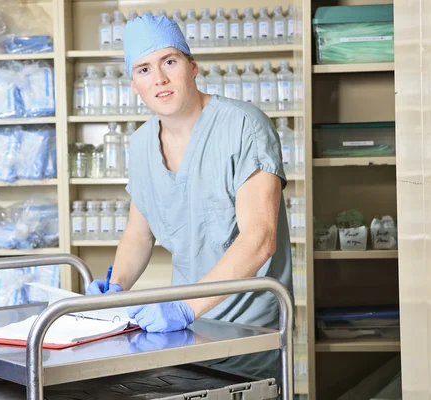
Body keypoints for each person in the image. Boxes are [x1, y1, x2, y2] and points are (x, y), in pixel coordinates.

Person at [86, 13, 293, 380]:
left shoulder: (243, 126)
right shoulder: (141, 144)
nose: (160, 79)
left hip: (246, 340)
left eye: (169, 61)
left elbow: (260, 240)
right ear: (134, 84)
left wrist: (183, 307)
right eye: (144, 69)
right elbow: (139, 234)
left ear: (192, 67)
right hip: (183, 339)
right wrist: (115, 290)